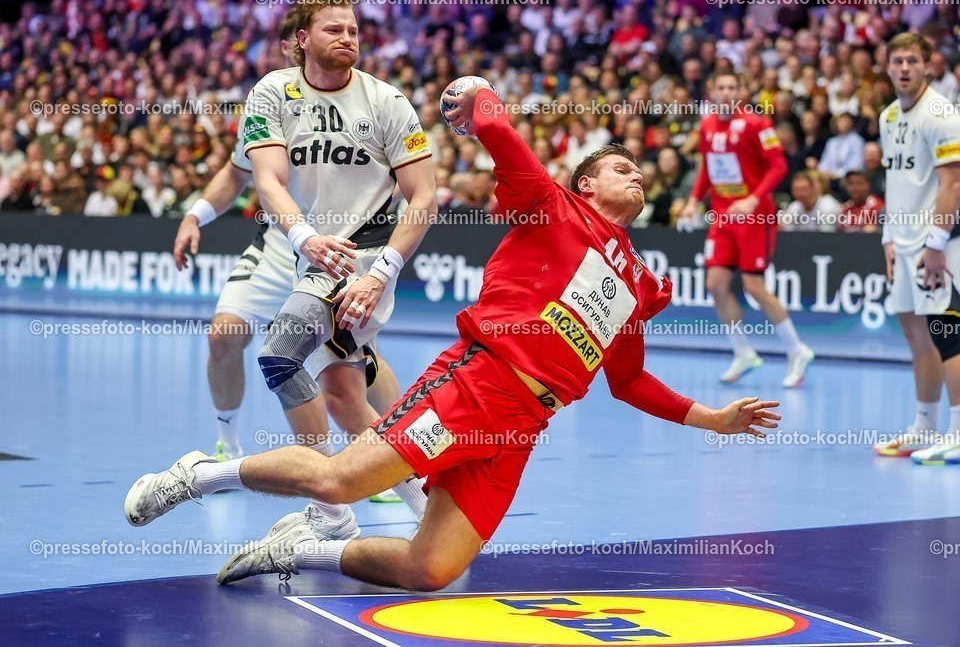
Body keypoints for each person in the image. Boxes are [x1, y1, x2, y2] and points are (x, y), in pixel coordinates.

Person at [124, 84, 782, 592]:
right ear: (588, 183)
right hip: (477, 381)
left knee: (431, 568)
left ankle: (298, 550)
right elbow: (497, 125)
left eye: (639, 170)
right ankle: (199, 474)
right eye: (620, 168)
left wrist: (713, 419)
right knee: (337, 482)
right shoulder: (550, 205)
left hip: (523, 424)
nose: (635, 173)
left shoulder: (640, 283)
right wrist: (472, 96)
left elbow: (628, 379)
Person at [172, 9, 409, 506]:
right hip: (284, 244)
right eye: (286, 45)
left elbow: (414, 189)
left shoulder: (369, 101)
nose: (286, 54)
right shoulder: (270, 99)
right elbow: (240, 175)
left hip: (342, 249)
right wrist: (195, 215)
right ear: (296, 46)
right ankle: (232, 442)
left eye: (350, 31)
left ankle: (386, 467)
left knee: (357, 366)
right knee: (226, 335)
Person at [872, 33, 960, 465]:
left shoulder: (942, 115)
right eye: (896, 60)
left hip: (943, 239)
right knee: (916, 335)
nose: (903, 68)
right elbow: (896, 183)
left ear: (927, 67)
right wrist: (888, 239)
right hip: (904, 239)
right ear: (887, 66)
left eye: (911, 60)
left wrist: (936, 244)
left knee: (945, 334)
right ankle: (924, 428)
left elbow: (953, 182)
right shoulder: (888, 116)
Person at [680, 69, 814, 387]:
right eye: (720, 87)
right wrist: (692, 201)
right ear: (712, 92)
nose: (726, 92)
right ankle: (743, 353)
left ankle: (797, 351)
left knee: (754, 287)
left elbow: (779, 165)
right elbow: (707, 170)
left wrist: (754, 200)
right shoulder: (707, 124)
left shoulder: (758, 124)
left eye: (732, 87)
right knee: (715, 283)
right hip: (722, 217)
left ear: (740, 92)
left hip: (755, 218)